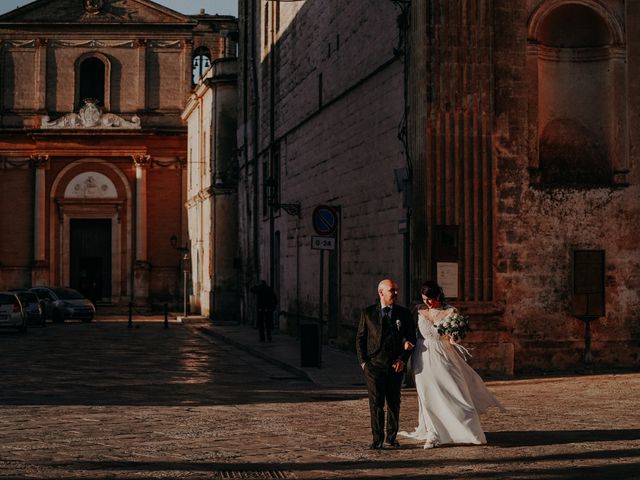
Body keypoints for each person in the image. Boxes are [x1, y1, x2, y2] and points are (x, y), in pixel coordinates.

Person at [399, 281, 504, 449]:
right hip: (422, 354)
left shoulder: (451, 312)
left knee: (454, 391)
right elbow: (410, 332)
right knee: (427, 394)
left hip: (443, 354)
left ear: (438, 296)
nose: (428, 302)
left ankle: (468, 430)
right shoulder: (418, 310)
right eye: (425, 299)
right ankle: (433, 433)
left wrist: (455, 338)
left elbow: (454, 337)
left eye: (431, 299)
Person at [356, 278, 416, 450]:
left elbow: (412, 338)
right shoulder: (368, 313)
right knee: (376, 403)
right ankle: (377, 439)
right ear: (381, 292)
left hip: (395, 365)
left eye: (397, 290)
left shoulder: (403, 314)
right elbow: (360, 338)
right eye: (392, 290)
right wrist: (363, 363)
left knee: (394, 402)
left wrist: (403, 358)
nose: (396, 293)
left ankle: (392, 436)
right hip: (374, 365)